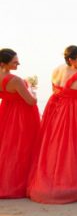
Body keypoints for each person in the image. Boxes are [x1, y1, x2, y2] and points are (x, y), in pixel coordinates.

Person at [28, 45, 77, 204]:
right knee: (75, 148)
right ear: (71, 60)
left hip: (55, 111)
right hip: (74, 114)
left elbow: (55, 90)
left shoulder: (57, 70)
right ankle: (74, 184)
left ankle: (54, 181)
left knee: (54, 147)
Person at [0, 48, 40, 198]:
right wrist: (33, 89)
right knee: (23, 149)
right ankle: (18, 184)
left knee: (6, 148)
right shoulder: (15, 80)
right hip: (22, 116)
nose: (18, 64)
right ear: (4, 63)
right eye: (15, 62)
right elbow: (30, 101)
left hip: (5, 112)